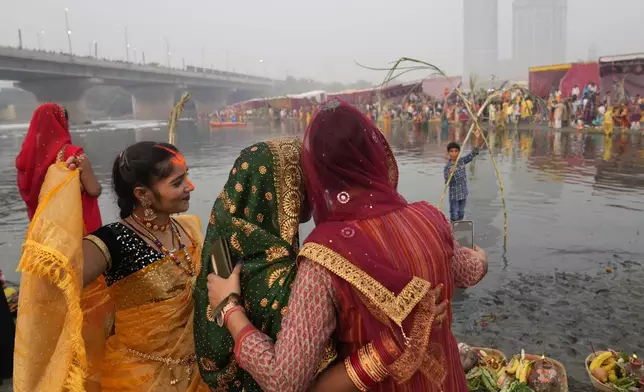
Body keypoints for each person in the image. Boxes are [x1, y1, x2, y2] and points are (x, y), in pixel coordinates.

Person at [207, 98, 488, 392]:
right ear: (377, 152)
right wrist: (482, 259)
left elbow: (284, 380)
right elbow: (468, 273)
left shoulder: (323, 255)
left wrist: (230, 312)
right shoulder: (431, 217)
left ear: (315, 172)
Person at [13, 141, 209, 392]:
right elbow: (52, 281)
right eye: (177, 183)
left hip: (201, 372)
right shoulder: (113, 241)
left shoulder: (188, 230)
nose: (189, 187)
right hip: (141, 379)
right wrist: (63, 195)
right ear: (142, 194)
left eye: (186, 177)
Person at [16, 102, 102, 233]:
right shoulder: (74, 154)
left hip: (46, 230)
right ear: (63, 123)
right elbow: (94, 190)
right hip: (75, 230)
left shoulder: (27, 158)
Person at [444, 141, 479, 222]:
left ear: (459, 152)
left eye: (456, 151)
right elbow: (447, 182)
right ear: (448, 153)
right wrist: (450, 173)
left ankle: (460, 227)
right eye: (451, 151)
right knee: (454, 214)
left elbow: (472, 154)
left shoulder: (461, 161)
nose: (454, 153)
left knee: (461, 213)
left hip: (463, 193)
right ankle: (453, 226)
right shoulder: (447, 167)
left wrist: (476, 139)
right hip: (454, 196)